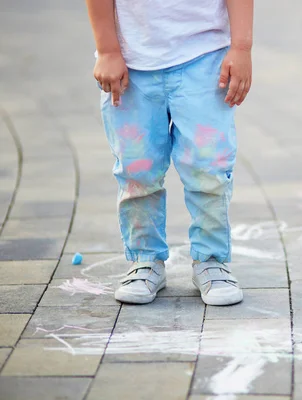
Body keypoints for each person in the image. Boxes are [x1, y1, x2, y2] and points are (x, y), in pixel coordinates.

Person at [85, 0, 253, 306]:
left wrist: (241, 47)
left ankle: (211, 260)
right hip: (130, 62)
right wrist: (108, 50)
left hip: (205, 56)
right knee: (137, 170)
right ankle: (145, 259)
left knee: (208, 166)